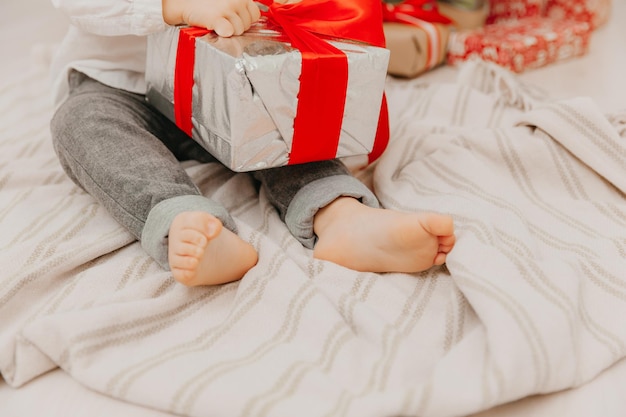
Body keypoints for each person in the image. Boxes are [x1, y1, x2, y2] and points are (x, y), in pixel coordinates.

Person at [49, 0, 456, 287]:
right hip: (120, 86)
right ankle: (181, 218)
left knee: (281, 118)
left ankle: (338, 215)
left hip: (224, 83)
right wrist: (174, 6)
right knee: (81, 121)